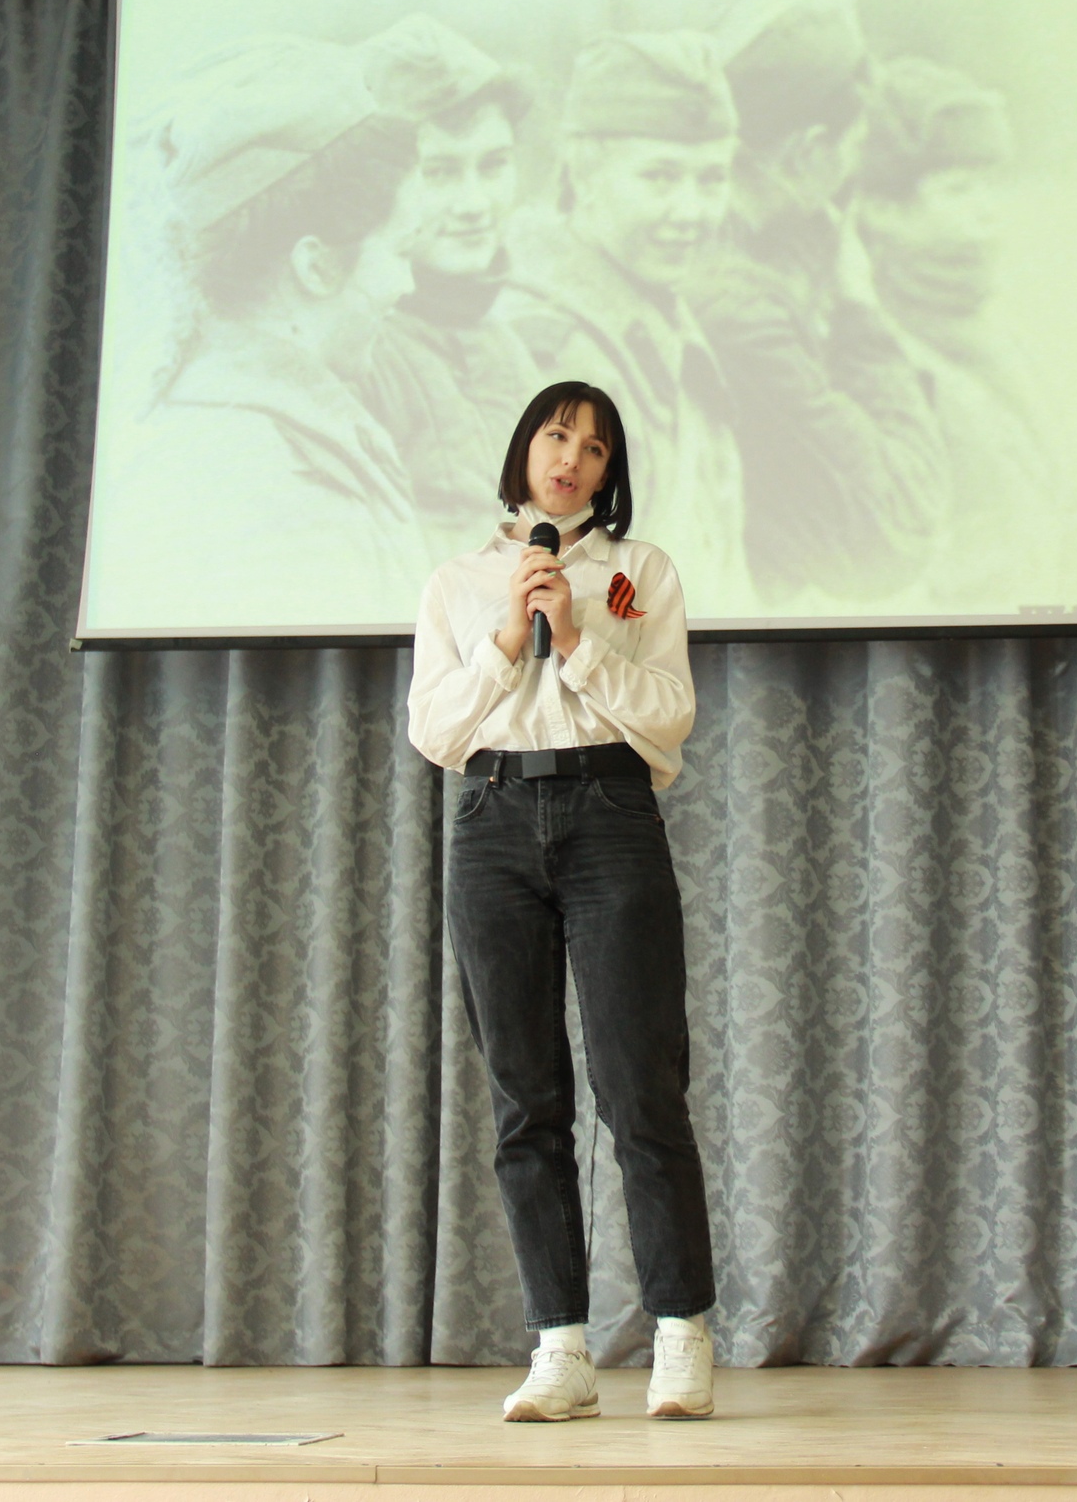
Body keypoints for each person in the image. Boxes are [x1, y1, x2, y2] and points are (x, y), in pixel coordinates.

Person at [406, 380, 716, 1424]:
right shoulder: (457, 582)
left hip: (609, 812)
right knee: (525, 1101)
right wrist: (509, 637)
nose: (571, 459)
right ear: (524, 451)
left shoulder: (642, 573)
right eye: (555, 436)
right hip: (492, 818)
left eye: (594, 447)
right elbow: (435, 732)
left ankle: (679, 1333)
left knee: (641, 1088)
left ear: (608, 471)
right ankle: (561, 1349)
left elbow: (669, 717)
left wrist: (578, 641)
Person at [85, 36, 431, 629]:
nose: (408, 284)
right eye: (401, 252)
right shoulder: (254, 472)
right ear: (316, 266)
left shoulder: (267, 427)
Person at [688, 0, 948, 606]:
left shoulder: (745, 248)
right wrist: (858, 308)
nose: (852, 169)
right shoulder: (741, 312)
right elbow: (901, 523)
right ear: (807, 153)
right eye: (850, 147)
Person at [495, 34, 758, 618]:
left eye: (711, 179)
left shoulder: (658, 318)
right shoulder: (546, 342)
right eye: (660, 177)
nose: (690, 211)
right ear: (584, 172)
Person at [352, 15, 545, 566]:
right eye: (438, 172)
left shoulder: (507, 347)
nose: (475, 204)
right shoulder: (357, 356)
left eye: (494, 165)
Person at [853, 56, 1032, 607]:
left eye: (989, 186)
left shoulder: (992, 326)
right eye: (958, 191)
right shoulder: (872, 351)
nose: (988, 211)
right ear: (881, 210)